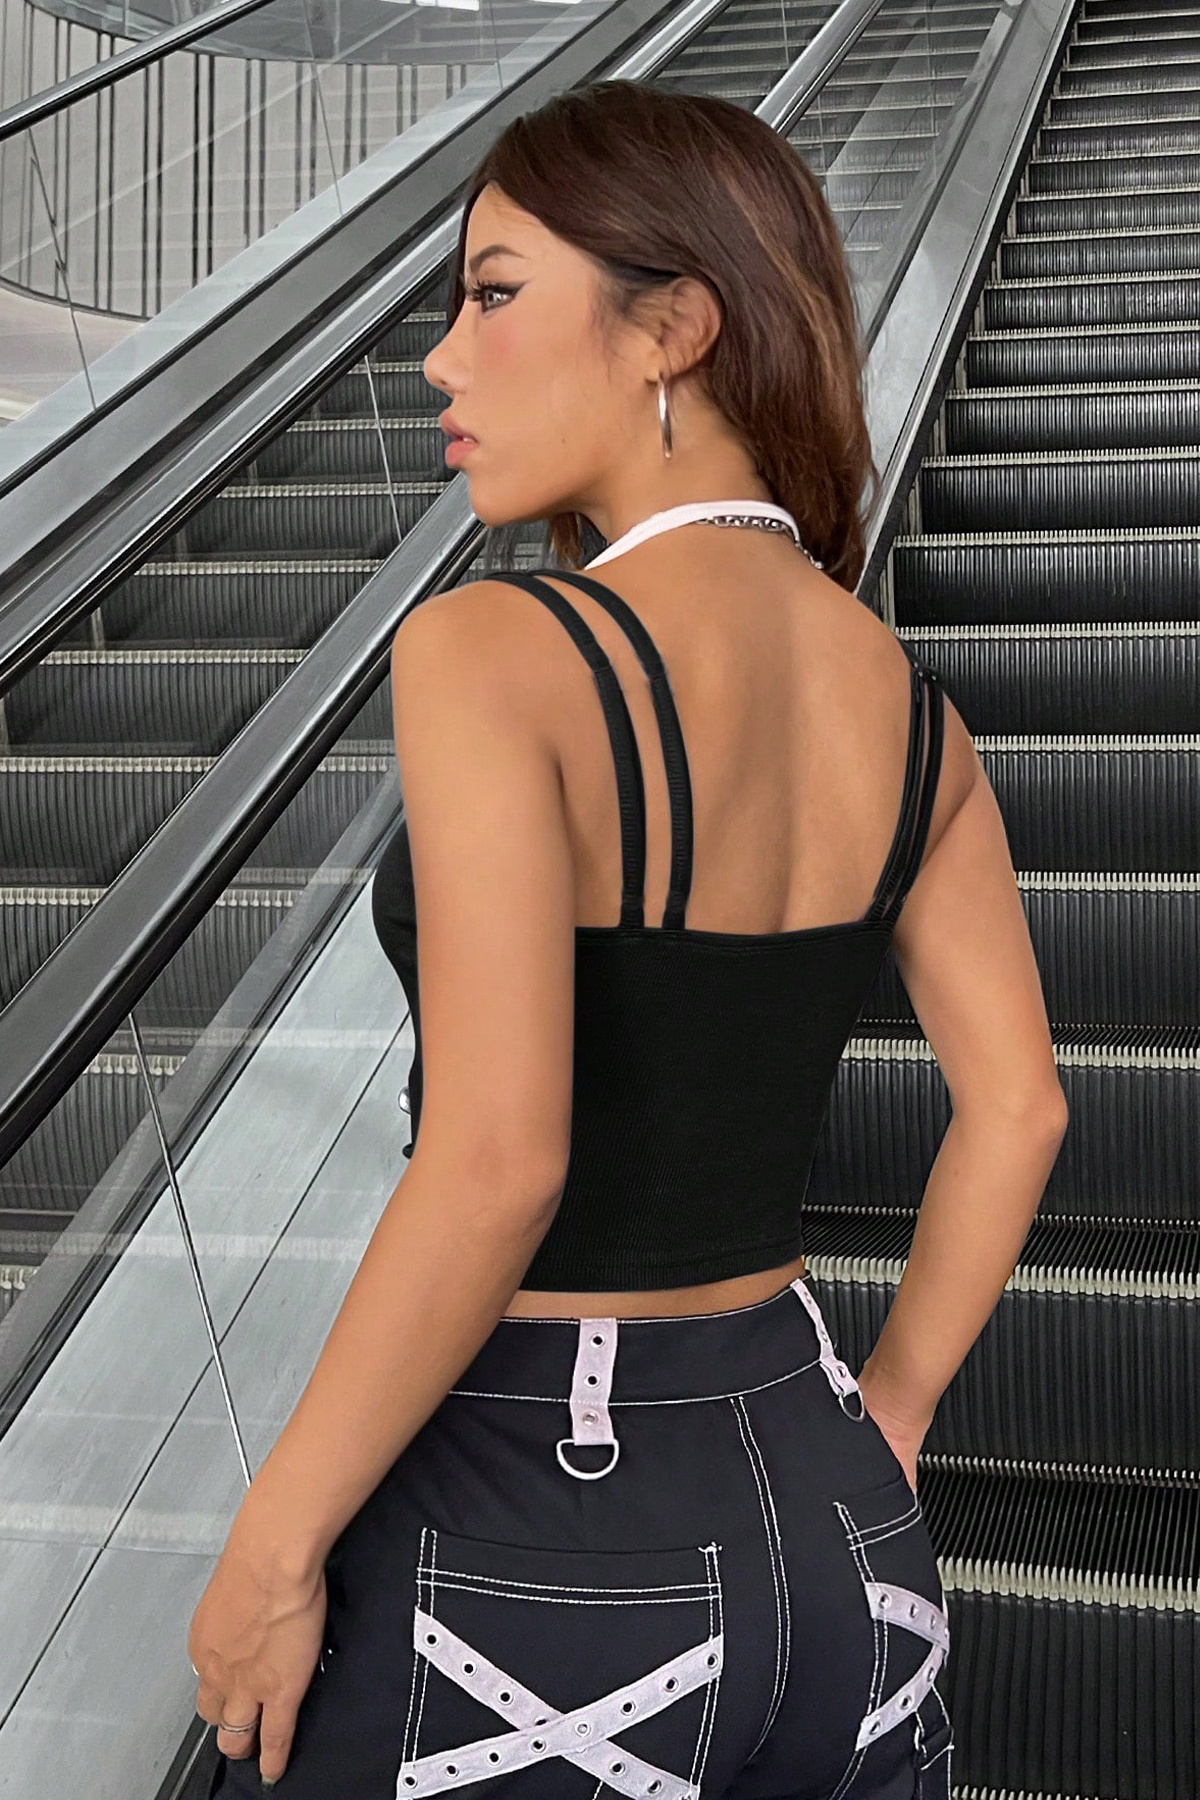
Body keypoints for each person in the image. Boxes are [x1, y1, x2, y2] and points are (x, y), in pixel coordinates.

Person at [192, 79, 1068, 1800]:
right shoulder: (916, 715)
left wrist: (274, 1548)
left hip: (530, 1529)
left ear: (675, 327)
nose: (440, 360)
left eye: (493, 293)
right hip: (838, 1527)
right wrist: (887, 1418)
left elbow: (499, 1163)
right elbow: (1022, 1107)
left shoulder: (495, 654)